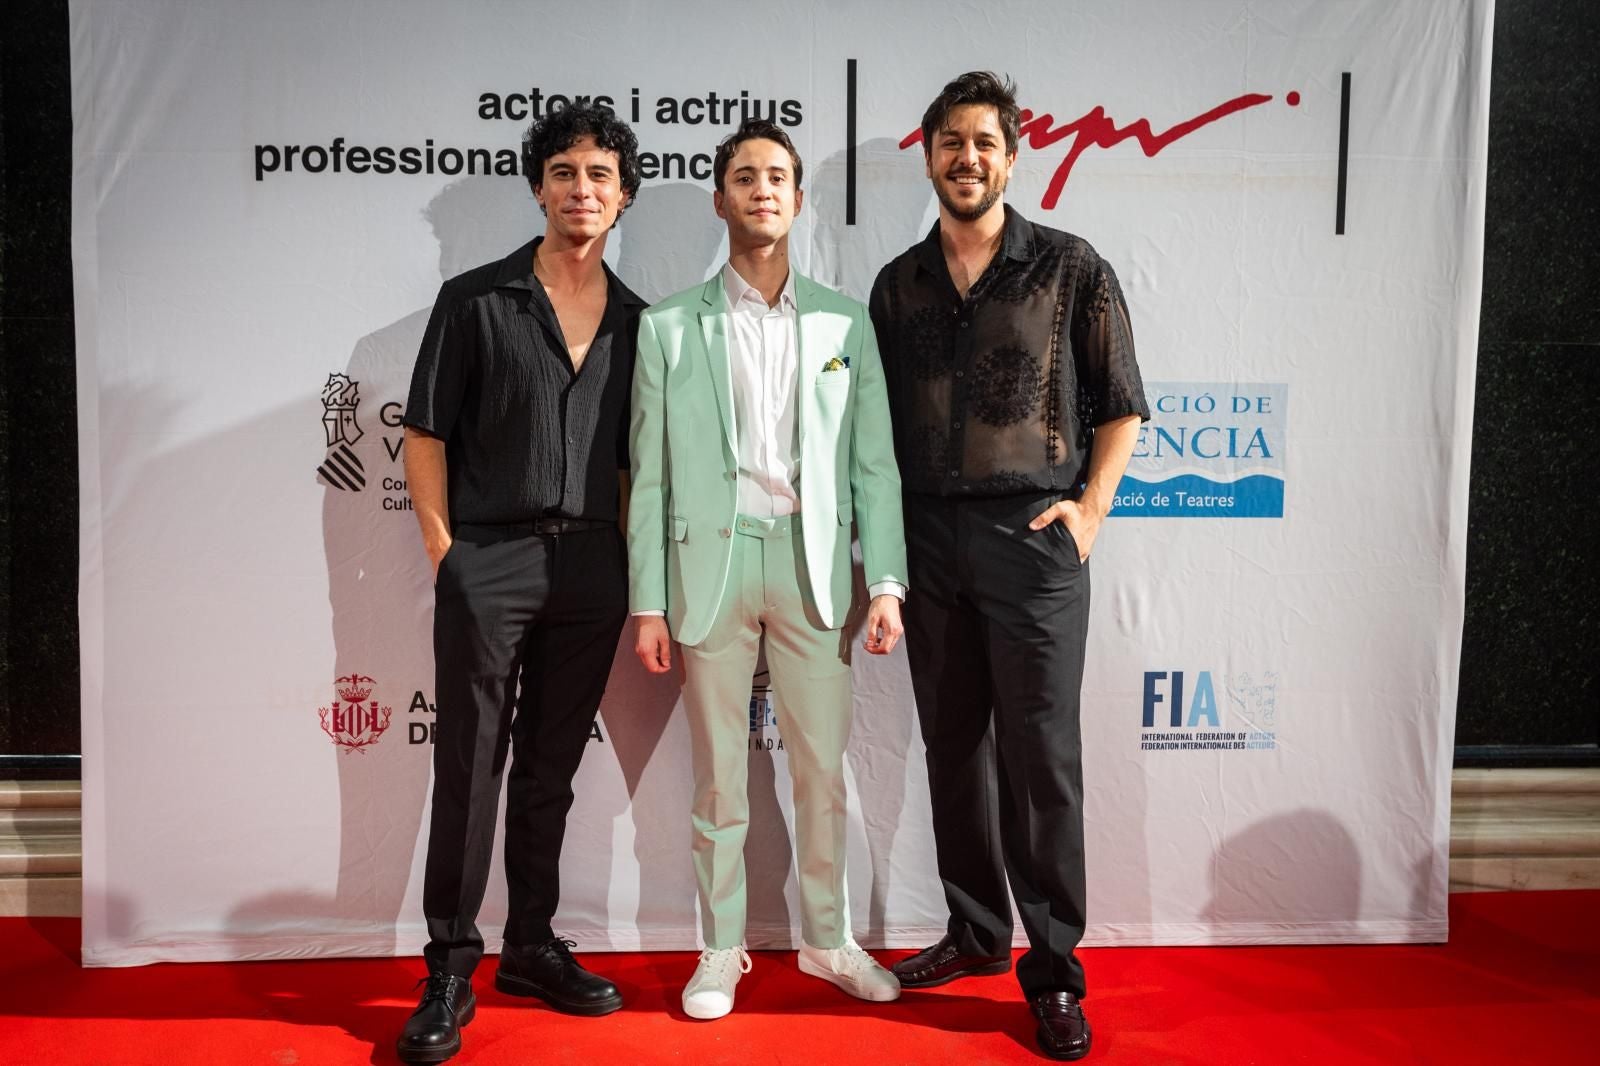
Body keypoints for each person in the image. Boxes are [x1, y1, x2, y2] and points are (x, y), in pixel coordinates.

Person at [868, 72, 1149, 1062]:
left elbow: (1120, 403)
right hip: (928, 540)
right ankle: (976, 930)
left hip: (1034, 538)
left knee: (1040, 761)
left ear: (1012, 155)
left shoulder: (1072, 268)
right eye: (950, 142)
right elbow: (874, 431)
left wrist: (1089, 512)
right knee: (953, 748)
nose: (966, 158)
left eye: (983, 141)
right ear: (929, 154)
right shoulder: (896, 284)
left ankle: (1055, 972)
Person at [628, 119, 908, 1020]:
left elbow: (874, 465)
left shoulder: (844, 322)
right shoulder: (668, 327)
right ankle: (719, 948)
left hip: (815, 567)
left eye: (777, 177)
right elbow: (650, 473)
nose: (760, 190)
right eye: (743, 176)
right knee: (718, 776)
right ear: (720, 198)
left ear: (796, 198)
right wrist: (646, 602)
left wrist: (889, 581)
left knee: (821, 769)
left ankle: (827, 940)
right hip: (707, 569)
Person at [395, 103, 647, 1064]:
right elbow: (425, 435)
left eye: (600, 176)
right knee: (469, 768)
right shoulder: (473, 299)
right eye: (566, 173)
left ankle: (532, 945)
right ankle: (451, 968)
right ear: (539, 186)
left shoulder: (641, 322)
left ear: (622, 196)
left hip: (593, 565)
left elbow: (636, 462)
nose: (583, 190)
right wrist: (443, 551)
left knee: (550, 769)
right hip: (488, 558)